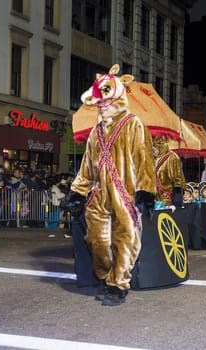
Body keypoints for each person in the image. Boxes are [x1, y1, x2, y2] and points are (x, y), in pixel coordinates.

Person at [63, 64, 156, 306]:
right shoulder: (95, 132)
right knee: (96, 240)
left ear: (118, 99)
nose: (102, 105)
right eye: (99, 102)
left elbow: (144, 159)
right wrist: (77, 192)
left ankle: (119, 285)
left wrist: (145, 192)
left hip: (126, 194)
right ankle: (106, 277)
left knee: (125, 240)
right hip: (99, 195)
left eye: (106, 101)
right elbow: (87, 167)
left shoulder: (134, 124)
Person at [152, 135, 185, 207]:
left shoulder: (172, 157)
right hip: (155, 200)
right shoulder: (153, 159)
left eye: (154, 149)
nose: (152, 152)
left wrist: (177, 199)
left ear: (159, 147)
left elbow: (178, 179)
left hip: (168, 200)